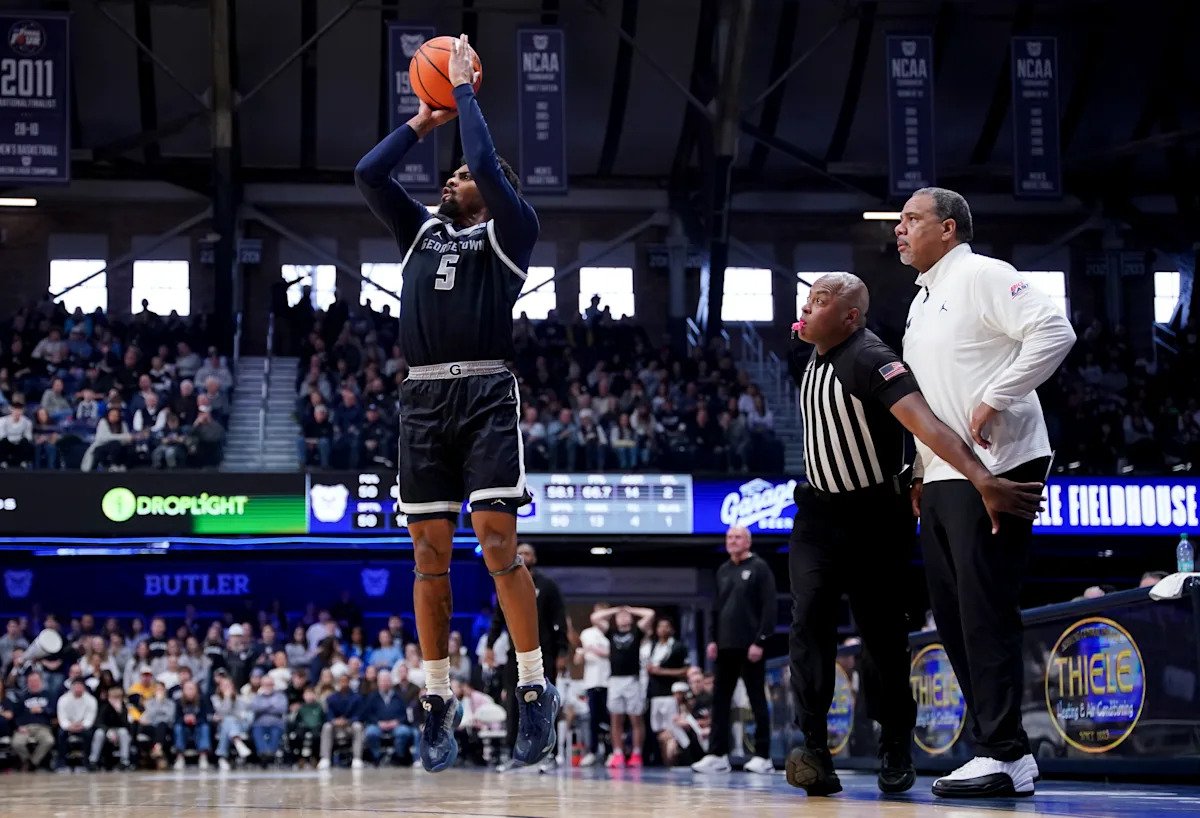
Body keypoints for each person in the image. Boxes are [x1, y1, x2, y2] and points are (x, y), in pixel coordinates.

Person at [354, 32, 557, 772]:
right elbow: (369, 175)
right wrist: (424, 118)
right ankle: (436, 697)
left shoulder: (513, 229)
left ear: (493, 187)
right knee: (427, 553)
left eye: (465, 173)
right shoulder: (421, 235)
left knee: (498, 543)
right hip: (424, 400)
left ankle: (533, 689)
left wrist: (466, 90)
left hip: (483, 390)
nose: (451, 179)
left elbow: (494, 176)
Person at [783, 272, 1045, 796]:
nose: (806, 311)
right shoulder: (807, 347)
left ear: (851, 317)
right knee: (808, 620)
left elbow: (924, 424)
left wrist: (980, 477)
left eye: (819, 302)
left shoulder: (870, 358)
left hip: (874, 515)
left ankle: (895, 742)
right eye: (806, 301)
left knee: (882, 637)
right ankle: (812, 745)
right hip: (816, 513)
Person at [897, 187, 1075, 797]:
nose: (900, 229)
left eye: (912, 219)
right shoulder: (921, 301)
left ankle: (1003, 752)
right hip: (946, 473)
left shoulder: (982, 273)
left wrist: (997, 395)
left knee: (984, 610)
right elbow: (930, 396)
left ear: (947, 229)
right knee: (951, 617)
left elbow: (1055, 331)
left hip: (997, 465)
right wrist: (921, 469)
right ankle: (1001, 750)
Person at [691, 527, 776, 776]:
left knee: (756, 700)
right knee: (720, 701)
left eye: (737, 537)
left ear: (748, 541)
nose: (732, 541)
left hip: (750, 647)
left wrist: (760, 641)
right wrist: (713, 639)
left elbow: (769, 608)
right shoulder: (723, 570)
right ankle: (718, 755)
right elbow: (716, 608)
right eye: (729, 538)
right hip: (725, 647)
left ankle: (763, 756)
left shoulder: (760, 568)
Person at [483, 542, 568, 769]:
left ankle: (550, 755)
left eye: (527, 553)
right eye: (519, 552)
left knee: (546, 703)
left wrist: (562, 651)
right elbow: (498, 620)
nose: (522, 556)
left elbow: (559, 620)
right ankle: (515, 754)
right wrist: (490, 645)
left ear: (535, 558)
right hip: (515, 656)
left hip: (544, 654)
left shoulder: (548, 585)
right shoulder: (507, 585)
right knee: (513, 703)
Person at [589, 604, 655, 769]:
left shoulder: (636, 632)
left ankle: (636, 753)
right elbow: (595, 618)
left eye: (627, 616)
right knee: (616, 719)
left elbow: (650, 613)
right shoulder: (611, 632)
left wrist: (630, 609)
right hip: (615, 680)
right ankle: (618, 753)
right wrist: (615, 610)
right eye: (621, 616)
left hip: (633, 680)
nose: (624, 617)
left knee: (635, 718)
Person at [576, 603, 611, 766]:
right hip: (592, 681)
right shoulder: (588, 633)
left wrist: (601, 652)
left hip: (608, 682)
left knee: (608, 719)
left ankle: (610, 752)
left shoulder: (610, 635)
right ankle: (592, 751)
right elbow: (580, 656)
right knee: (593, 719)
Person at [361, 669, 416, 766]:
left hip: (396, 725)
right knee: (370, 732)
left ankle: (398, 757)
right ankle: (377, 758)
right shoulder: (372, 697)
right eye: (382, 681)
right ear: (378, 683)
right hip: (377, 725)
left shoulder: (399, 697)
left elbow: (405, 715)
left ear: (391, 682)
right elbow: (367, 715)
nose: (385, 683)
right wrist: (378, 723)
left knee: (403, 732)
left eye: (387, 680)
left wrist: (396, 722)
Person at [319, 671, 365, 770]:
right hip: (335, 727)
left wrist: (347, 721)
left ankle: (357, 758)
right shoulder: (331, 698)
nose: (343, 683)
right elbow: (328, 715)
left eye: (345, 681)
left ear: (349, 682)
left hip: (349, 726)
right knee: (326, 726)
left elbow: (359, 715)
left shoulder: (357, 698)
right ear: (338, 683)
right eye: (341, 681)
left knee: (358, 726)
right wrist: (334, 721)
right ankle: (325, 758)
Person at [12, 671, 56, 770]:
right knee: (16, 743)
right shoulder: (22, 698)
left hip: (42, 727)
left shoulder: (49, 695)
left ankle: (32, 763)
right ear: (27, 683)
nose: (33, 683)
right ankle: (27, 760)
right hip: (25, 727)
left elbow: (54, 712)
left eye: (36, 681)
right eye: (31, 681)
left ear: (41, 681)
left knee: (49, 741)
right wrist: (19, 726)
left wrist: (43, 710)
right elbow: (16, 715)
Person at [90, 685, 133, 770]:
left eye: (118, 697)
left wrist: (119, 711)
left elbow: (126, 725)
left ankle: (124, 761)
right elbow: (99, 722)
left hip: (119, 731)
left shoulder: (124, 707)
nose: (115, 699)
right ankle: (93, 760)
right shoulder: (104, 706)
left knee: (123, 733)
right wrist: (108, 731)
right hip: (105, 730)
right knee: (99, 733)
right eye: (113, 697)